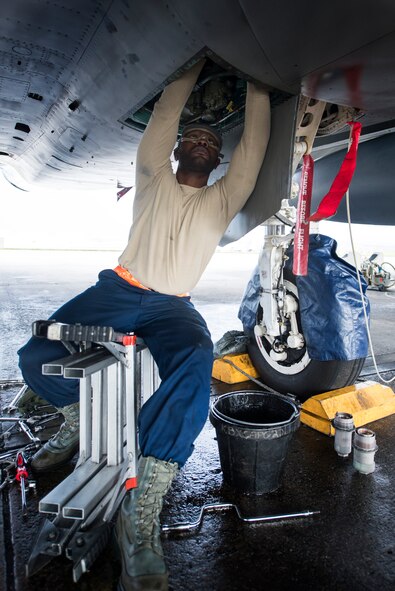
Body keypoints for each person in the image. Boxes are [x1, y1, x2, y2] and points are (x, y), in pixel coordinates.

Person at [18, 59, 270, 591]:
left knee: (196, 359)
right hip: (117, 289)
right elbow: (164, 117)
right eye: (192, 138)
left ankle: (145, 494)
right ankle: (77, 423)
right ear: (177, 150)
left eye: (211, 142)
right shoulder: (152, 175)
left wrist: (259, 77)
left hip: (172, 305)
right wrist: (193, 63)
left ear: (218, 159)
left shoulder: (223, 199)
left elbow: (253, 153)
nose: (202, 142)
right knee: (34, 355)